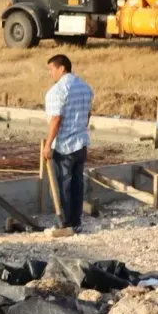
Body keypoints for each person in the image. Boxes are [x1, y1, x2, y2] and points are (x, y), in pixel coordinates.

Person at [43, 53, 94, 236]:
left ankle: (63, 223)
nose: (51, 74)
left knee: (62, 184)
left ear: (61, 68)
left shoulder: (58, 91)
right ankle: (76, 222)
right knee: (77, 184)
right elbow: (88, 115)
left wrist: (48, 144)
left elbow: (56, 119)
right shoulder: (85, 87)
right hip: (81, 143)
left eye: (52, 70)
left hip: (64, 145)